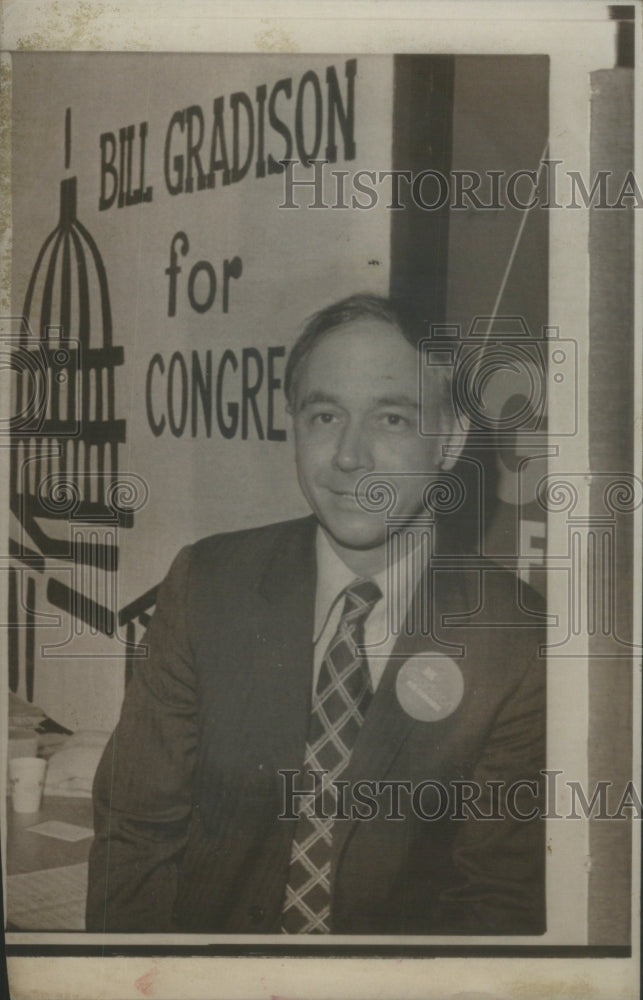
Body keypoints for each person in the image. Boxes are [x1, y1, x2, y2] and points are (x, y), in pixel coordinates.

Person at [86, 293, 546, 935]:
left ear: (449, 440)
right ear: (294, 426)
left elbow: (496, 899)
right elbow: (133, 836)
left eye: (391, 419)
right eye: (325, 415)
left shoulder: (516, 636)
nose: (350, 456)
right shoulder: (207, 584)